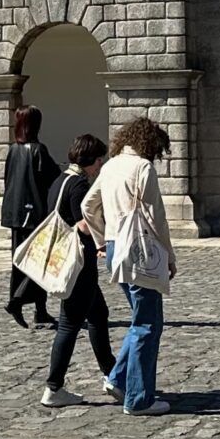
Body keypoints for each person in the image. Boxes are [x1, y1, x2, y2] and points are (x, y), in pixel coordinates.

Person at [81, 115, 177, 416]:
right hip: (139, 249)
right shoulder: (142, 167)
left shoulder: (109, 166)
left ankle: (118, 378)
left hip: (112, 247)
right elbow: (155, 216)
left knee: (141, 318)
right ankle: (138, 399)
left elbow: (87, 206)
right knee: (149, 323)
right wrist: (170, 255)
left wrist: (100, 239)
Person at [41, 135, 116, 407]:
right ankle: (54, 386)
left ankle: (112, 373)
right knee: (69, 323)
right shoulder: (80, 184)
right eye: (100, 161)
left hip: (68, 260)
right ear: (93, 161)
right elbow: (82, 223)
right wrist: (104, 236)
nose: (101, 166)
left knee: (98, 314)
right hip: (79, 263)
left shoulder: (60, 181)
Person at [0, 107, 62, 328]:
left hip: (15, 214)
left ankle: (40, 310)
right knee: (38, 262)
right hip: (33, 214)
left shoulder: (13, 151)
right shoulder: (38, 150)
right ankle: (17, 300)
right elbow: (52, 177)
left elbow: (8, 180)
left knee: (20, 261)